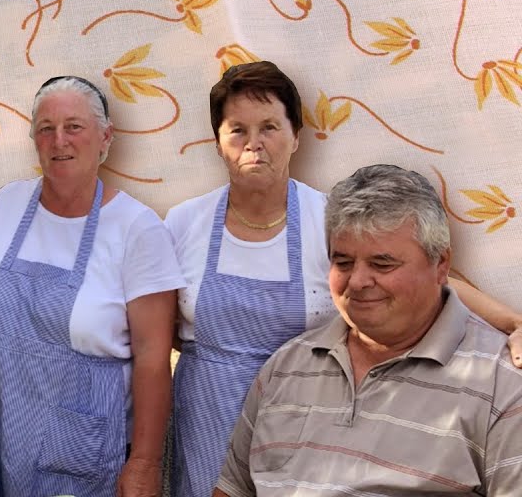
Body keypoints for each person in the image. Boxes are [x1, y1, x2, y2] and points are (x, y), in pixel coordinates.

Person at [168, 61, 522, 497]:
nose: (254, 143)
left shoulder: (328, 218)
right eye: (237, 130)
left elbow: (421, 276)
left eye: (269, 127)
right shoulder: (184, 222)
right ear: (217, 142)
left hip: (304, 415)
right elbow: (159, 326)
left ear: (296, 136)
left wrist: (513, 323)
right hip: (206, 412)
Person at [214, 164, 522, 496]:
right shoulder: (286, 366)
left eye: (382, 264)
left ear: (441, 264)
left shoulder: (502, 384)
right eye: (343, 262)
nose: (358, 281)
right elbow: (233, 489)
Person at [0, 75, 183, 497]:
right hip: (2, 438)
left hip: (84, 450)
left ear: (105, 138)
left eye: (74, 126)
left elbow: (153, 358)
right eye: (46, 128)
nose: (59, 140)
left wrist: (144, 464)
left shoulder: (137, 229)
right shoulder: (6, 205)